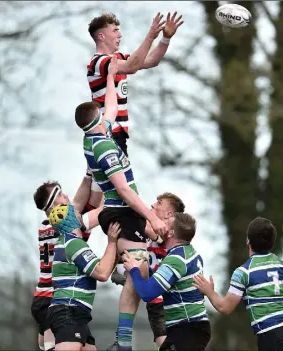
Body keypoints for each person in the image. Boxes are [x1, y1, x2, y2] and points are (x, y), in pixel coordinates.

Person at [75, 56, 167, 351]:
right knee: (139, 268)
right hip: (120, 210)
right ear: (98, 121)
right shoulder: (103, 147)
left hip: (123, 212)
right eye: (103, 115)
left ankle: (118, 264)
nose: (108, 115)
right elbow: (124, 191)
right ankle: (123, 342)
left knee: (151, 251)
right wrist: (151, 216)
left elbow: (112, 108)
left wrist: (112, 77)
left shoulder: (95, 133)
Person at [193, 217, 283, 351]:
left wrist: (209, 292)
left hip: (271, 333)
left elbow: (225, 307)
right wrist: (276, 297)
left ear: (248, 240)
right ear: (272, 241)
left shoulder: (244, 272)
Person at [87, 11, 184, 156]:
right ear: (101, 36)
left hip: (118, 135)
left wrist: (165, 38)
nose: (119, 35)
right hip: (107, 134)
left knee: (120, 179)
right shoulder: (99, 62)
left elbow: (151, 61)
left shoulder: (118, 58)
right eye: (115, 31)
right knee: (120, 179)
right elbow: (131, 67)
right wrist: (150, 36)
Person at [123, 213, 211, 351]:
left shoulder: (176, 259)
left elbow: (147, 293)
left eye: (166, 222)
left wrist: (134, 270)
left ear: (171, 232)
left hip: (187, 329)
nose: (160, 223)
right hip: (190, 327)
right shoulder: (188, 252)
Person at [31, 174, 97, 351]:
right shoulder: (64, 229)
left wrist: (89, 175)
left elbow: (77, 203)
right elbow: (91, 208)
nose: (67, 196)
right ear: (54, 204)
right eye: (60, 193)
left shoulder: (46, 227)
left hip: (43, 298)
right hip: (52, 299)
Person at [111, 192, 186, 348]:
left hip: (172, 301)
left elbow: (157, 232)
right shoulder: (145, 231)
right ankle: (122, 339)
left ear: (169, 214)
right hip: (155, 301)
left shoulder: (172, 232)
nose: (152, 205)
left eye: (158, 203)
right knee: (164, 344)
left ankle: (123, 340)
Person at [47, 203, 121, 351]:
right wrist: (112, 242)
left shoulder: (67, 242)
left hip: (77, 313)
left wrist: (116, 253)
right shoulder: (74, 244)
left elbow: (100, 270)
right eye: (76, 212)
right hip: (68, 311)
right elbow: (102, 273)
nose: (81, 214)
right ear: (71, 219)